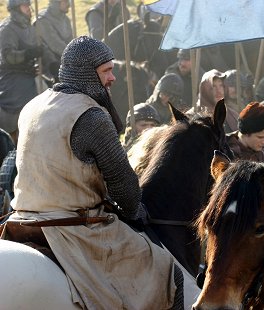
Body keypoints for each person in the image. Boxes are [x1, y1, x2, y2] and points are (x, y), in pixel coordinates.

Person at [3, 36, 183, 309]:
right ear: (86, 72)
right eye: (106, 70)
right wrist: (136, 211)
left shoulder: (33, 105)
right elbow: (123, 183)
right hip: (73, 228)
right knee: (167, 270)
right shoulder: (90, 116)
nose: (112, 78)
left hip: (21, 220)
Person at [0, 0, 42, 144]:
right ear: (16, 8)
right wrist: (28, 54)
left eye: (29, 5)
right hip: (12, 76)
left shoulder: (28, 27)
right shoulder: (7, 29)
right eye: (25, 6)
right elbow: (8, 56)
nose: (29, 8)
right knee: (22, 99)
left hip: (29, 73)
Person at [34, 0, 73, 82]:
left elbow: (71, 43)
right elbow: (55, 45)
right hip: (49, 69)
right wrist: (74, 57)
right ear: (56, 3)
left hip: (64, 62)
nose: (68, 5)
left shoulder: (65, 19)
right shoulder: (42, 20)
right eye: (65, 2)